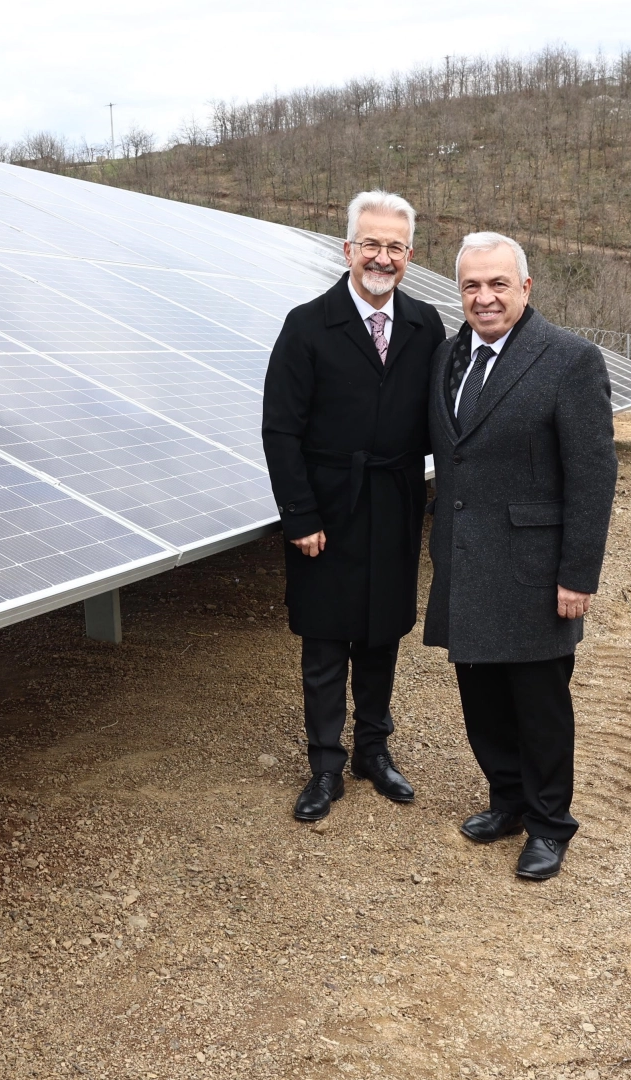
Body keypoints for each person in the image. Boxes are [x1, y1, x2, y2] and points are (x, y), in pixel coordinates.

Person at [423, 231, 618, 879]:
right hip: (465, 563)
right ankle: (505, 801)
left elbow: (591, 476)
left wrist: (576, 575)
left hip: (535, 572)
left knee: (537, 706)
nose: (484, 297)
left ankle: (548, 823)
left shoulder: (569, 360)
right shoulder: (448, 357)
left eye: (497, 284)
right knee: (480, 700)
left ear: (525, 288)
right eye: (471, 286)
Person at [262, 191, 446, 822]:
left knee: (381, 635)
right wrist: (300, 515)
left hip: (394, 504)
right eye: (371, 243)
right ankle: (324, 765)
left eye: (395, 246)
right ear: (347, 249)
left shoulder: (426, 327)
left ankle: (374, 751)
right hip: (328, 509)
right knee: (324, 640)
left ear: (410, 256)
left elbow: (438, 422)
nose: (382, 257)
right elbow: (280, 430)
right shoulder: (306, 325)